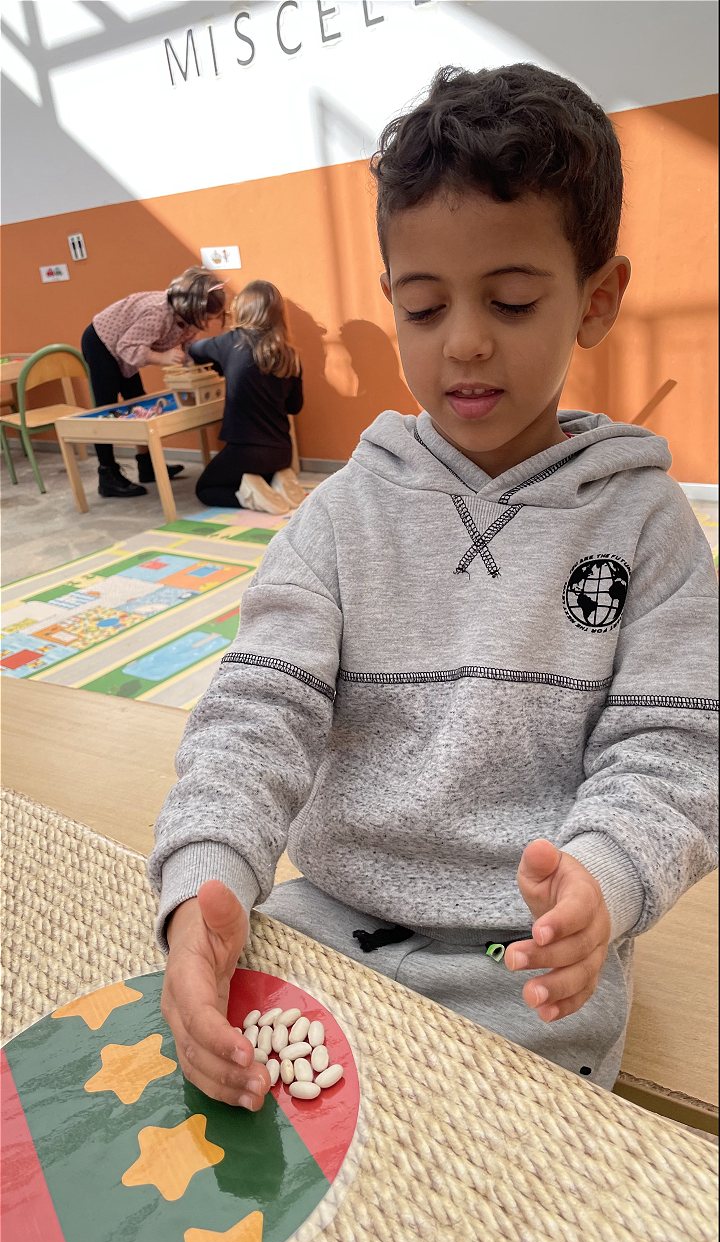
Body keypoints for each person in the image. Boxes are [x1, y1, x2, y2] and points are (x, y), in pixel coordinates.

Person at [149, 64, 718, 1112]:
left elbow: (677, 747)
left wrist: (605, 875)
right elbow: (255, 713)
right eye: (423, 306)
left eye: (511, 300)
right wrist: (207, 882)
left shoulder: (647, 527)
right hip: (328, 923)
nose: (463, 340)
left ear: (597, 300)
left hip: (532, 964)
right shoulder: (339, 517)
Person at [81, 267, 227, 498]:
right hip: (102, 343)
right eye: (206, 319)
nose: (208, 325)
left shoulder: (187, 318)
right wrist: (162, 358)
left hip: (123, 348)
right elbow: (127, 347)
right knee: (106, 407)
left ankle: (147, 465)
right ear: (192, 309)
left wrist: (201, 367)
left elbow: (189, 348)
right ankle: (107, 473)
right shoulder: (157, 313)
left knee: (136, 400)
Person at [187, 280, 305, 514]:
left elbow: (195, 350)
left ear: (242, 310)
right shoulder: (290, 355)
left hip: (244, 452)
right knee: (252, 475)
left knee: (206, 489)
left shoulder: (231, 342)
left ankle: (253, 497)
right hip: (282, 453)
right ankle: (277, 481)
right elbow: (295, 406)